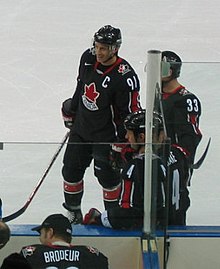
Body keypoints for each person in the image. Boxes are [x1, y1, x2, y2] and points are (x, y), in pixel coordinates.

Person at [61, 25, 141, 224]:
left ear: (115, 48)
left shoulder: (125, 76)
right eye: (96, 46)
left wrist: (123, 142)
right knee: (70, 171)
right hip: (81, 130)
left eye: (103, 48)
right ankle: (73, 212)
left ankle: (111, 217)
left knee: (108, 179)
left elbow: (129, 113)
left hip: (107, 137)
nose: (98, 51)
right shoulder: (87, 58)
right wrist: (71, 110)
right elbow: (80, 86)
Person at [83, 110, 166, 230]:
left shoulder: (134, 167)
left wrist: (100, 218)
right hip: (171, 224)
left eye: (129, 133)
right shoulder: (170, 159)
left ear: (142, 137)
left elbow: (129, 213)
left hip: (142, 231)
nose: (126, 137)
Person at [158, 50, 202, 185]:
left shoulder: (186, 99)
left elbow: (190, 137)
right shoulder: (157, 95)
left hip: (175, 164)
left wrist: (177, 159)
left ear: (171, 71)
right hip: (157, 160)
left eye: (161, 68)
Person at [20, 213, 109, 269]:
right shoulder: (92, 254)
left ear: (50, 232)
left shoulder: (30, 254)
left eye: (41, 233)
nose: (40, 238)